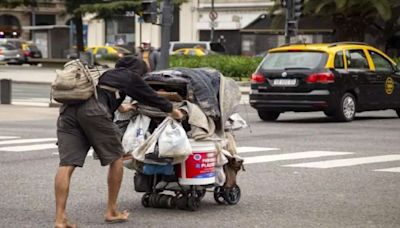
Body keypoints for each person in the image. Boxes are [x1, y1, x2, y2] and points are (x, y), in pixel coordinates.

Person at [54, 56, 183, 228]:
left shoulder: (105, 74)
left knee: (67, 164)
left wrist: (122, 107)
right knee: (116, 159)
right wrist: (174, 112)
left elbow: (101, 93)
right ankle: (112, 211)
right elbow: (152, 97)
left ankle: (60, 219)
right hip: (94, 113)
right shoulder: (131, 76)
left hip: (68, 113)